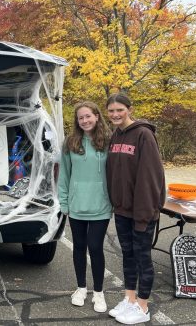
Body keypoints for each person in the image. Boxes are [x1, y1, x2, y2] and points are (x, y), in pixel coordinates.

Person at [106, 93, 165, 325]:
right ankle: (129, 299)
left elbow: (151, 178)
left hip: (141, 212)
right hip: (122, 210)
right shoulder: (116, 135)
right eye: (111, 111)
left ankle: (142, 306)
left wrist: (144, 214)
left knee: (142, 258)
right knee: (128, 256)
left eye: (120, 109)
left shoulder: (144, 134)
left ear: (129, 109)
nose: (115, 114)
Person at [58, 101, 112, 313]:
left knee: (96, 247)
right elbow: (64, 175)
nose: (85, 120)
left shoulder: (109, 141)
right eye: (80, 118)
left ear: (97, 116)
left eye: (88, 116)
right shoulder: (71, 142)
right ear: (77, 121)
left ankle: (98, 292)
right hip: (77, 204)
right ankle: (81, 288)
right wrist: (64, 201)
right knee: (79, 247)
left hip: (101, 204)